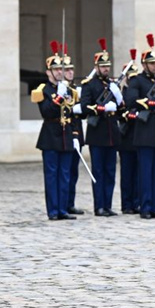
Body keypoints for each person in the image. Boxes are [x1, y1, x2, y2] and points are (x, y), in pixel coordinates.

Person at [31, 40, 78, 220]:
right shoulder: (43, 90)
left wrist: (74, 134)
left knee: (65, 175)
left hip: (66, 136)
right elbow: (47, 111)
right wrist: (58, 96)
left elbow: (71, 113)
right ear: (48, 72)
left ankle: (63, 209)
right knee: (52, 176)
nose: (61, 72)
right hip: (50, 136)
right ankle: (53, 210)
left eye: (62, 69)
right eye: (57, 70)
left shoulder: (68, 89)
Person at [126, 34, 155, 219]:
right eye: (151, 63)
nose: (154, 66)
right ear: (144, 65)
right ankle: (145, 206)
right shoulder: (137, 81)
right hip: (145, 132)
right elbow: (131, 100)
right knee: (145, 172)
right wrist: (152, 103)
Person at [79, 38, 123, 217]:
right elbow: (84, 106)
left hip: (112, 132)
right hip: (97, 133)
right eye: (102, 66)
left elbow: (121, 108)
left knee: (110, 171)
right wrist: (102, 108)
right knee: (98, 171)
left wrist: (118, 98)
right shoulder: (90, 84)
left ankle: (108, 205)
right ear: (96, 67)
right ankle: (99, 206)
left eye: (107, 66)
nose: (106, 69)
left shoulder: (112, 85)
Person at [62, 44, 85, 216]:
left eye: (71, 69)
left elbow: (82, 114)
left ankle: (70, 202)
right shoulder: (60, 90)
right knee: (64, 172)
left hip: (77, 133)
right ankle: (62, 204)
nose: (70, 72)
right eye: (67, 69)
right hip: (64, 134)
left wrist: (80, 107)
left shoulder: (76, 89)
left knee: (73, 172)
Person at [118, 51, 140, 214]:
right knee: (127, 173)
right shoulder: (120, 94)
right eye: (130, 77)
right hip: (126, 137)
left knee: (138, 173)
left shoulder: (137, 91)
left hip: (138, 136)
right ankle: (126, 204)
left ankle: (137, 202)